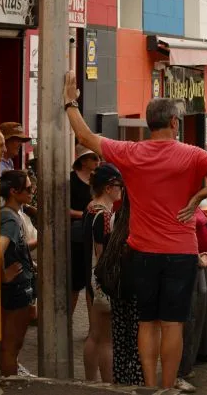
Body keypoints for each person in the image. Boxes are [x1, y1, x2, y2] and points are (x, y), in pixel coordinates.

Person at [63, 71, 207, 390]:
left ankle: (148, 385)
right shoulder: (192, 154)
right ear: (174, 122)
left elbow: (87, 138)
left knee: (147, 322)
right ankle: (168, 386)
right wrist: (198, 196)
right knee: (172, 324)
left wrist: (70, 102)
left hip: (142, 252)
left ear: (149, 124)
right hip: (181, 254)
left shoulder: (132, 153)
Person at [82, 163, 124, 382]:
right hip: (101, 281)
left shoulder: (90, 208)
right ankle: (108, 384)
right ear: (108, 187)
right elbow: (102, 254)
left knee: (94, 335)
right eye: (119, 185)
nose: (121, 189)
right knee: (106, 339)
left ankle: (91, 380)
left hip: (90, 279)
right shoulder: (104, 216)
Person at [0, 170, 38, 377]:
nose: (32, 192)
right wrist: (4, 275)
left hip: (16, 288)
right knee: (11, 347)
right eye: (29, 189)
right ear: (14, 191)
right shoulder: (11, 219)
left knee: (9, 345)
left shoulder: (9, 215)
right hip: (16, 290)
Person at [176, 206, 207, 393]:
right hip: (190, 264)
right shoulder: (180, 205)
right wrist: (195, 257)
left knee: (200, 313)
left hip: (203, 262)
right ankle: (180, 369)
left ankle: (192, 359)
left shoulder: (196, 203)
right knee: (187, 318)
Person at [107, 193, 145, 386]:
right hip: (138, 284)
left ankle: (120, 381)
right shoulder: (143, 219)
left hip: (118, 284)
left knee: (121, 337)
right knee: (139, 339)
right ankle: (137, 382)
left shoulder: (117, 215)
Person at [70, 145, 101, 315]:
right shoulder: (71, 180)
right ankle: (66, 323)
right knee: (76, 282)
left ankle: (93, 329)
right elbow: (64, 208)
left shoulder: (98, 181)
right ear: (83, 160)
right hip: (77, 235)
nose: (98, 161)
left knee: (93, 283)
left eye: (98, 157)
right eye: (93, 158)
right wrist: (85, 214)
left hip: (97, 233)